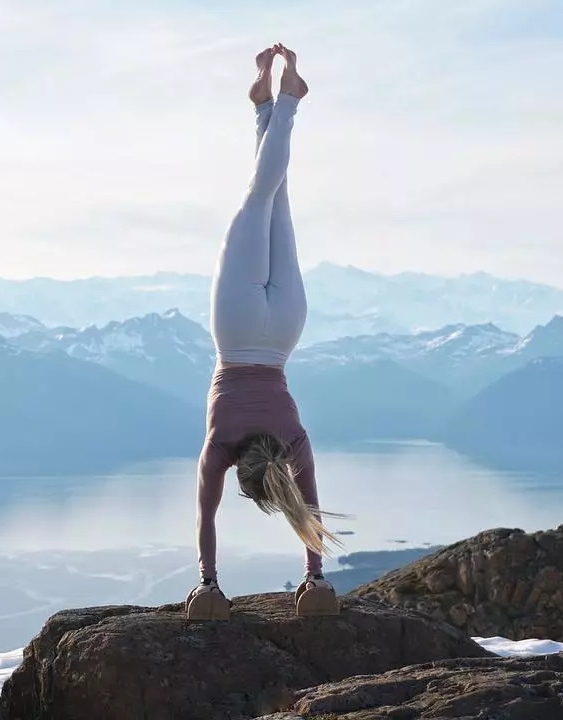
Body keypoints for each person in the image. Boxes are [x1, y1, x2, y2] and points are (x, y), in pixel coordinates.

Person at [185, 43, 347, 621]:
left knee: (276, 202)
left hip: (282, 336)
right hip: (236, 333)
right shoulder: (221, 445)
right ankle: (284, 104)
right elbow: (206, 518)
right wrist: (207, 584)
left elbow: (312, 511)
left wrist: (316, 578)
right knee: (261, 199)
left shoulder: (293, 441)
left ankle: (266, 110)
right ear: (242, 474)